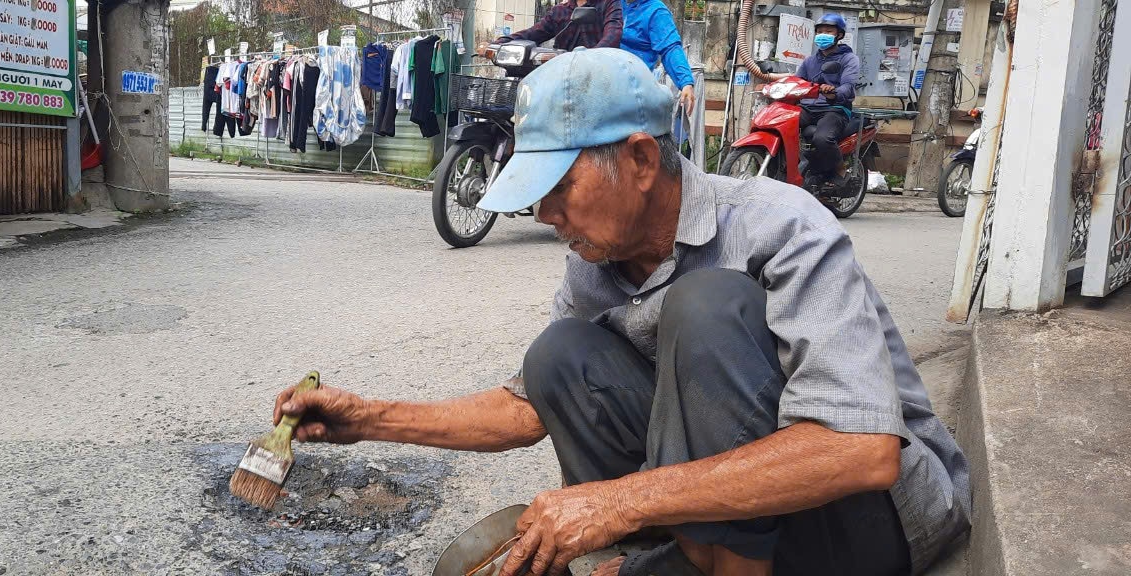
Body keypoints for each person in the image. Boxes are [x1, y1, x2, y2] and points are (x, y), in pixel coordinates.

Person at [272, 48, 969, 576]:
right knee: (560, 355)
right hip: (760, 525)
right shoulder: (594, 262)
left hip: (874, 524)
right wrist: (368, 419)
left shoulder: (780, 224)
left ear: (640, 159)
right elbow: (525, 408)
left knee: (707, 308)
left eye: (560, 188)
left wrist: (617, 503)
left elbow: (863, 450)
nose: (544, 214)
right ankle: (688, 557)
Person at [792, 13, 861, 189]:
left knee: (822, 138)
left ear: (839, 35)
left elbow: (848, 86)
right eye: (820, 31)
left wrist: (834, 93)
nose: (823, 34)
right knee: (782, 123)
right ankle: (788, 167)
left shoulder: (848, 59)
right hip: (808, 107)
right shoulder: (809, 61)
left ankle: (839, 170)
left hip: (835, 108)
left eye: (828, 31)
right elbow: (797, 82)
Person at [620, 0, 696, 116]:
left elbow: (670, 48)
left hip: (635, 90)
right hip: (604, 82)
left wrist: (685, 82)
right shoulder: (612, 4)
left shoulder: (656, 11)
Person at [479, 0, 623, 56]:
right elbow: (533, 33)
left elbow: (613, 34)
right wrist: (498, 43)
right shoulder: (559, 11)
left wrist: (593, 56)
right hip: (561, 74)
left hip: (598, 73)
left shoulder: (609, 4)